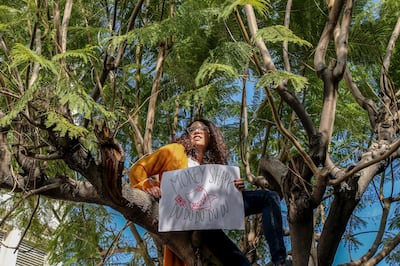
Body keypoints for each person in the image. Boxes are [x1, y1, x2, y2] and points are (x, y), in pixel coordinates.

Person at [129, 119, 287, 266]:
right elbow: (138, 168)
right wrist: (148, 185)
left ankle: (280, 261)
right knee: (236, 258)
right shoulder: (175, 150)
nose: (196, 131)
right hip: (186, 218)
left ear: (210, 135)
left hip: (210, 217)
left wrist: (235, 189)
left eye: (202, 128)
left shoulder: (213, 167)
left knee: (268, 197)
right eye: (192, 129)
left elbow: (220, 201)